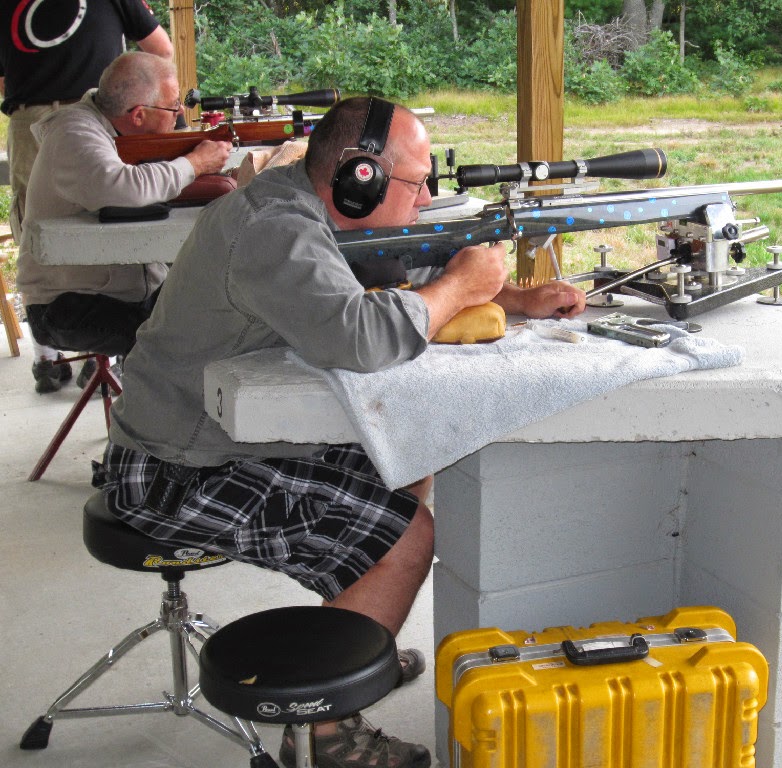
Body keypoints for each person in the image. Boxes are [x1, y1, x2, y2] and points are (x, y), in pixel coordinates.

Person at [95, 96, 587, 768]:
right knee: (409, 535)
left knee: (404, 461)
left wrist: (509, 298)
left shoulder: (302, 208)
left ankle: (348, 642)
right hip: (172, 469)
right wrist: (462, 282)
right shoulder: (275, 227)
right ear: (360, 178)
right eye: (415, 184)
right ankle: (336, 732)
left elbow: (385, 289)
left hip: (213, 439)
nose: (423, 199)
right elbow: (359, 335)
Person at [15, 51, 230, 392]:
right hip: (66, 305)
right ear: (138, 115)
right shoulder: (74, 133)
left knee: (219, 310)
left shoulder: (106, 126)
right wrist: (195, 163)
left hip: (120, 292)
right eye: (174, 108)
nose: (179, 118)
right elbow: (124, 187)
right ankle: (150, 428)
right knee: (183, 340)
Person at [0, 0, 174, 392]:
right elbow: (161, 47)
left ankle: (103, 362)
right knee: (43, 227)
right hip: (82, 115)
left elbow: (159, 51)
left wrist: (142, 98)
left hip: (108, 111)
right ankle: (54, 355)